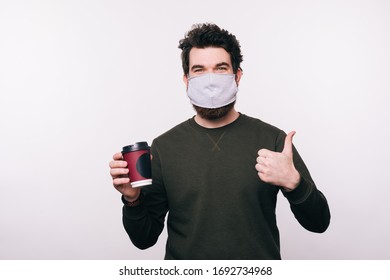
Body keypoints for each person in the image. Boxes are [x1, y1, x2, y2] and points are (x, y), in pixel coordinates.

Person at [109, 23, 330, 260]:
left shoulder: (273, 140)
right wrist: (133, 200)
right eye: (199, 70)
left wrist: (294, 183)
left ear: (238, 76)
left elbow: (319, 223)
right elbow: (144, 239)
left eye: (221, 68)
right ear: (186, 79)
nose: (211, 80)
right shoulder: (164, 147)